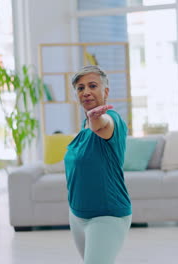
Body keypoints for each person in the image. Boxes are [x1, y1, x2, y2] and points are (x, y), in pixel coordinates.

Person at [64, 65, 131, 264]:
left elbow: (102, 124)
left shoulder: (112, 120)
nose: (86, 92)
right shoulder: (83, 126)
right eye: (80, 88)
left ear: (106, 91)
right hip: (77, 215)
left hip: (106, 216)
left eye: (92, 86)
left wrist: (95, 118)